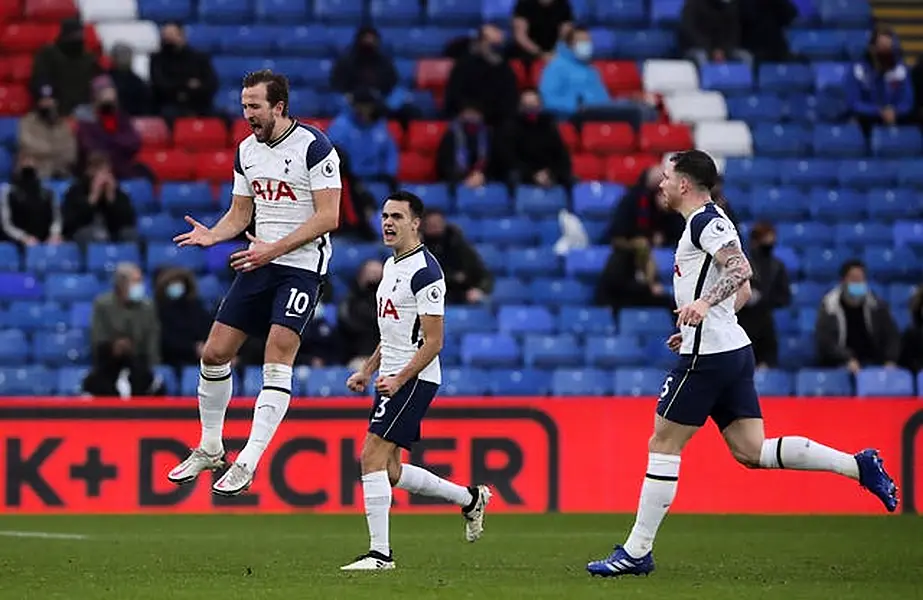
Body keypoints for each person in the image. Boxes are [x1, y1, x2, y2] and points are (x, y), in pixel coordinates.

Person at [586, 150, 899, 578]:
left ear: (684, 185)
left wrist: (704, 305)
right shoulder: (709, 222)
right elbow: (744, 290)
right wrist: (706, 318)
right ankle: (857, 465)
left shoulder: (703, 221)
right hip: (729, 348)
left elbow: (741, 268)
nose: (659, 184)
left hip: (708, 357)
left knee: (663, 444)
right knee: (752, 451)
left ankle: (637, 550)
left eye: (665, 177)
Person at [166, 70, 342, 496]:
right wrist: (214, 233)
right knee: (214, 352)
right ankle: (210, 446)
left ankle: (248, 460)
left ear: (278, 107)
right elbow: (241, 214)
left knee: (276, 354)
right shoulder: (246, 150)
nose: (247, 115)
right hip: (260, 260)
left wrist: (274, 249)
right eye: (244, 106)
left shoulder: (314, 147)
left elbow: (328, 216)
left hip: (300, 266)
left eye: (255, 107)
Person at [340, 191, 491, 571]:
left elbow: (435, 341)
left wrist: (398, 378)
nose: (388, 222)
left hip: (414, 377)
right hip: (392, 375)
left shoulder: (426, 272)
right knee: (388, 470)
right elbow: (392, 331)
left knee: (369, 456)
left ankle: (380, 554)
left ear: (415, 223)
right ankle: (470, 498)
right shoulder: (392, 265)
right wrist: (369, 370)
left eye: (397, 217)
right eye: (385, 215)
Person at [83, 262, 163, 397]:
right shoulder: (102, 305)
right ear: (121, 284)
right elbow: (97, 338)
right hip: (108, 365)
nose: (140, 285)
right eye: (136, 281)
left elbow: (152, 341)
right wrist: (114, 347)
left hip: (139, 365)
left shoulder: (148, 307)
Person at [814, 260, 900, 373]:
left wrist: (890, 360)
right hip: (838, 363)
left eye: (861, 279)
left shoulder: (876, 305)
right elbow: (825, 343)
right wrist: (847, 358)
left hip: (873, 363)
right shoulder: (829, 307)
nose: (858, 283)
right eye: (854, 279)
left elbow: (891, 335)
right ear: (843, 281)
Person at [0, 153, 63, 246]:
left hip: (45, 243)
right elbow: (6, 224)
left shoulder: (48, 192)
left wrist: (54, 235)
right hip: (16, 243)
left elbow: (56, 218)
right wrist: (23, 238)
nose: (28, 163)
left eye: (32, 160)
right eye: (24, 160)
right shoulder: (8, 192)